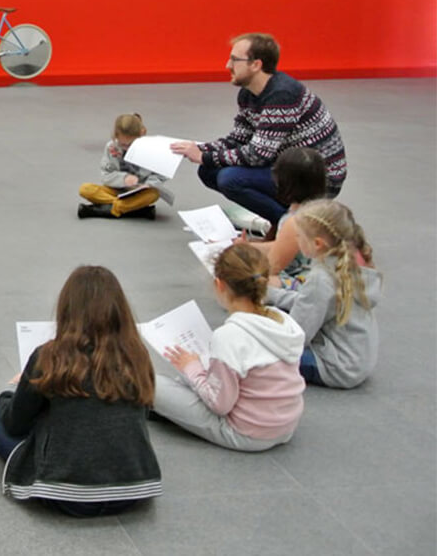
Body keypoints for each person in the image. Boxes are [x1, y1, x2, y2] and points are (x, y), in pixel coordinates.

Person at [0, 266, 162, 516]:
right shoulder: (136, 354)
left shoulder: (49, 356)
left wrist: (12, 391)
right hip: (134, 491)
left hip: (67, 496)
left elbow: (15, 423)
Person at [170, 33, 346, 228]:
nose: (228, 65)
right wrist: (199, 148)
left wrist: (205, 156)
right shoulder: (248, 94)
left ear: (256, 65)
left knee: (230, 179)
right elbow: (238, 139)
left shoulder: (282, 95)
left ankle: (295, 229)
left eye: (235, 60)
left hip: (319, 179)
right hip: (288, 167)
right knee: (209, 172)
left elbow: (258, 155)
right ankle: (284, 220)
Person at [153, 243, 306, 451]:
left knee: (152, 384)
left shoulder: (229, 336)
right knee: (204, 369)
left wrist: (191, 368)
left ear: (220, 284)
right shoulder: (283, 321)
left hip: (246, 433)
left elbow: (219, 404)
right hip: (286, 425)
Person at [265, 200, 380, 389]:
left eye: (298, 236)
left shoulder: (321, 278)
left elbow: (297, 335)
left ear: (317, 243)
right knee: (274, 315)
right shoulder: (347, 263)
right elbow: (310, 301)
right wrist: (274, 296)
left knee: (257, 348)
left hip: (335, 366)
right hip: (357, 358)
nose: (297, 240)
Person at [246, 147, 327, 287]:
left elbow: (272, 266)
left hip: (304, 282)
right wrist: (249, 246)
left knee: (245, 278)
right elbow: (285, 245)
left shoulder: (295, 221)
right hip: (323, 278)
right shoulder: (325, 210)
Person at [77, 113, 169, 220]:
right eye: (123, 145)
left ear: (141, 135)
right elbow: (105, 176)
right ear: (116, 136)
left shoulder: (152, 149)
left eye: (131, 144)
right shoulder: (111, 147)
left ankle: (104, 210)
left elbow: (161, 175)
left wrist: (148, 184)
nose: (126, 148)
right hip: (114, 190)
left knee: (153, 194)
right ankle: (133, 210)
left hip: (139, 192)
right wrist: (124, 179)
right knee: (85, 189)